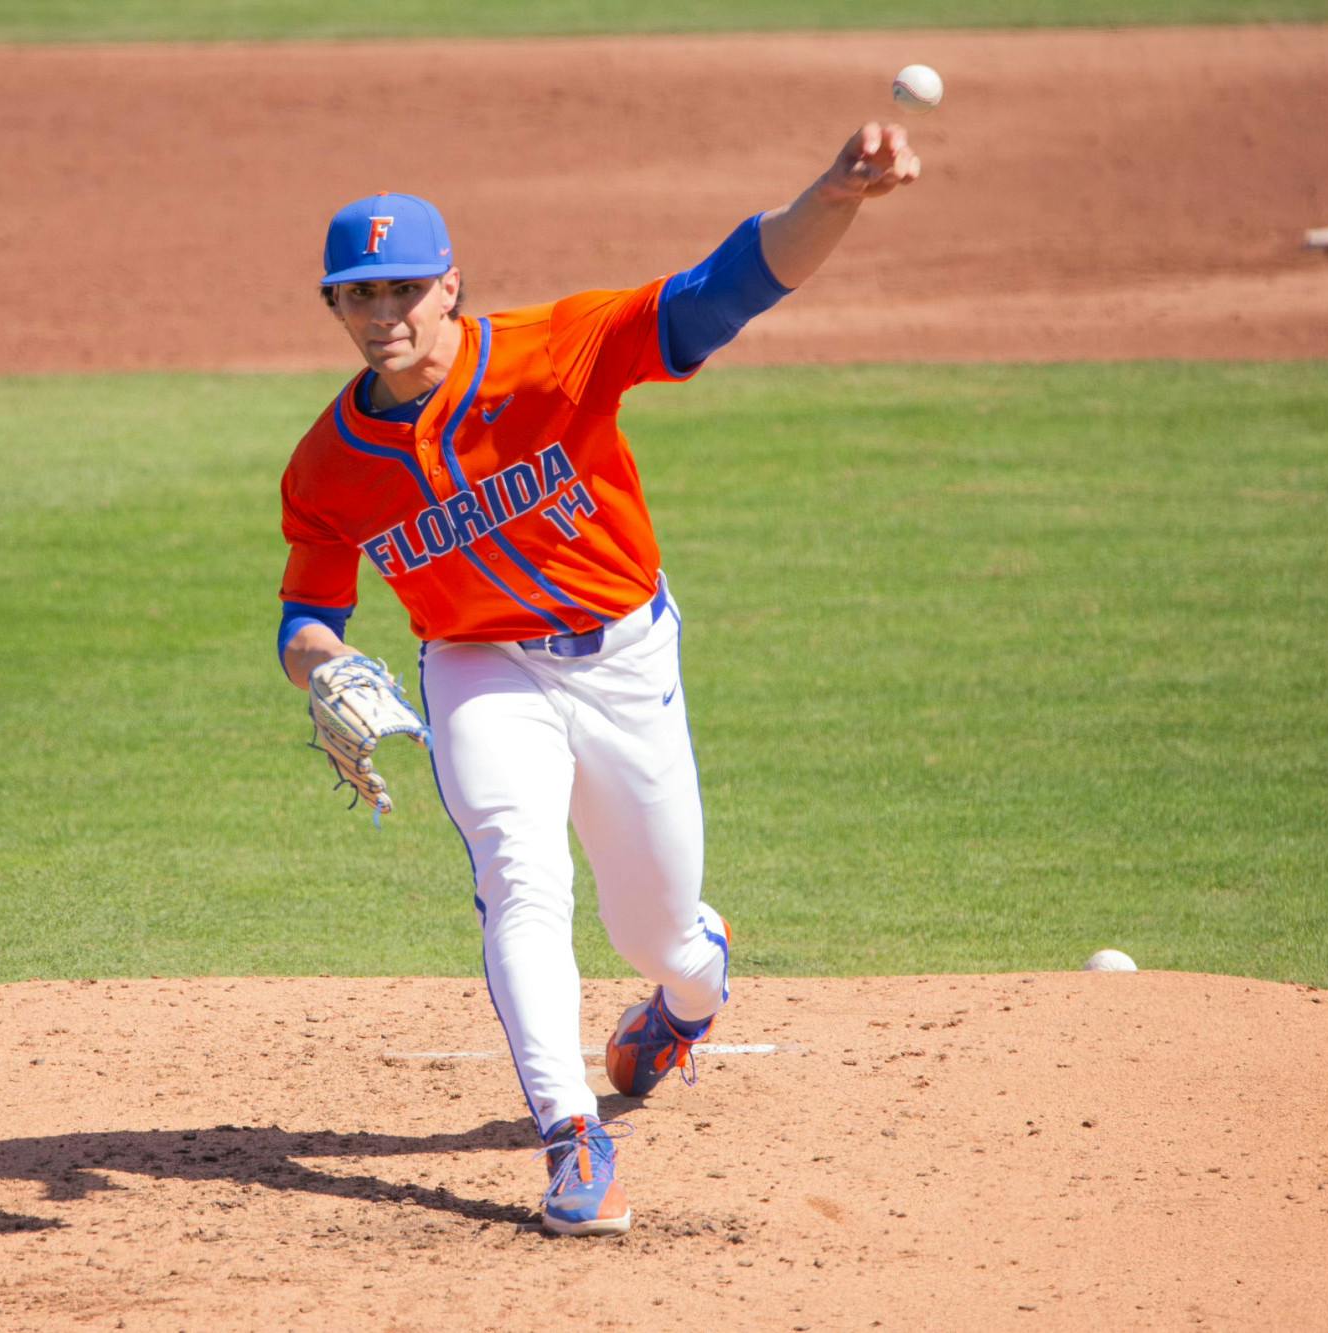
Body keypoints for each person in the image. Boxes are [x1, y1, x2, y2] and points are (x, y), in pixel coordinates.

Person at [276, 124, 922, 1236]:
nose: (381, 313)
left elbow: (725, 287)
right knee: (518, 877)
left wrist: (833, 194)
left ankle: (684, 999)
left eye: (401, 288)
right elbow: (307, 615)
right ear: (332, 307)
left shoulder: (556, 347)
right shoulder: (327, 464)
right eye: (355, 295)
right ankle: (571, 1135)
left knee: (660, 934)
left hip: (621, 656)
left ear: (449, 285)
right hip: (476, 667)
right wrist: (323, 671)